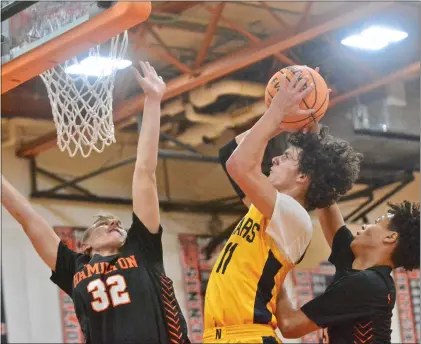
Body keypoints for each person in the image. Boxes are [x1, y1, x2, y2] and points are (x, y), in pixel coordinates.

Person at [1, 62, 190, 344]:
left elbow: (144, 173)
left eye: (116, 221)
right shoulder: (73, 268)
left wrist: (153, 102)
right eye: (102, 223)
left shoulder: (143, 248)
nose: (113, 222)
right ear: (85, 244)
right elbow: (28, 217)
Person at [203, 71, 363, 343]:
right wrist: (289, 121)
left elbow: (238, 165)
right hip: (221, 337)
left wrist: (278, 111)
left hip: (250, 336)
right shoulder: (264, 208)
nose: (274, 158)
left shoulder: (294, 218)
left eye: (286, 156)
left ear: (303, 177)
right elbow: (231, 152)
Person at [276, 200, 420, 344]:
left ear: (390, 237)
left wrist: (274, 271)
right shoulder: (359, 267)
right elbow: (325, 202)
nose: (364, 225)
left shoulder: (367, 284)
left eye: (376, 222)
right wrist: (321, 181)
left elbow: (290, 325)